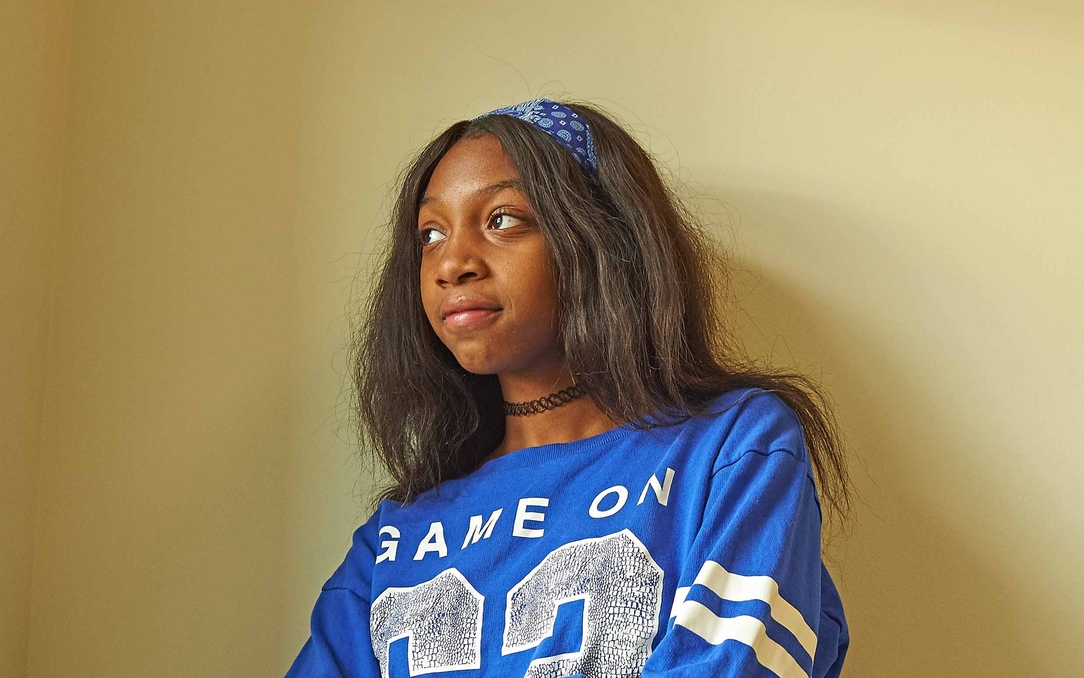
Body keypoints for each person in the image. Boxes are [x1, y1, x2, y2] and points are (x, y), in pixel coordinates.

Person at [285, 98, 853, 677]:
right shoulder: (394, 536)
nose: (451, 262)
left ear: (602, 239)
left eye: (502, 219)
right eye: (430, 233)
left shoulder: (733, 451)